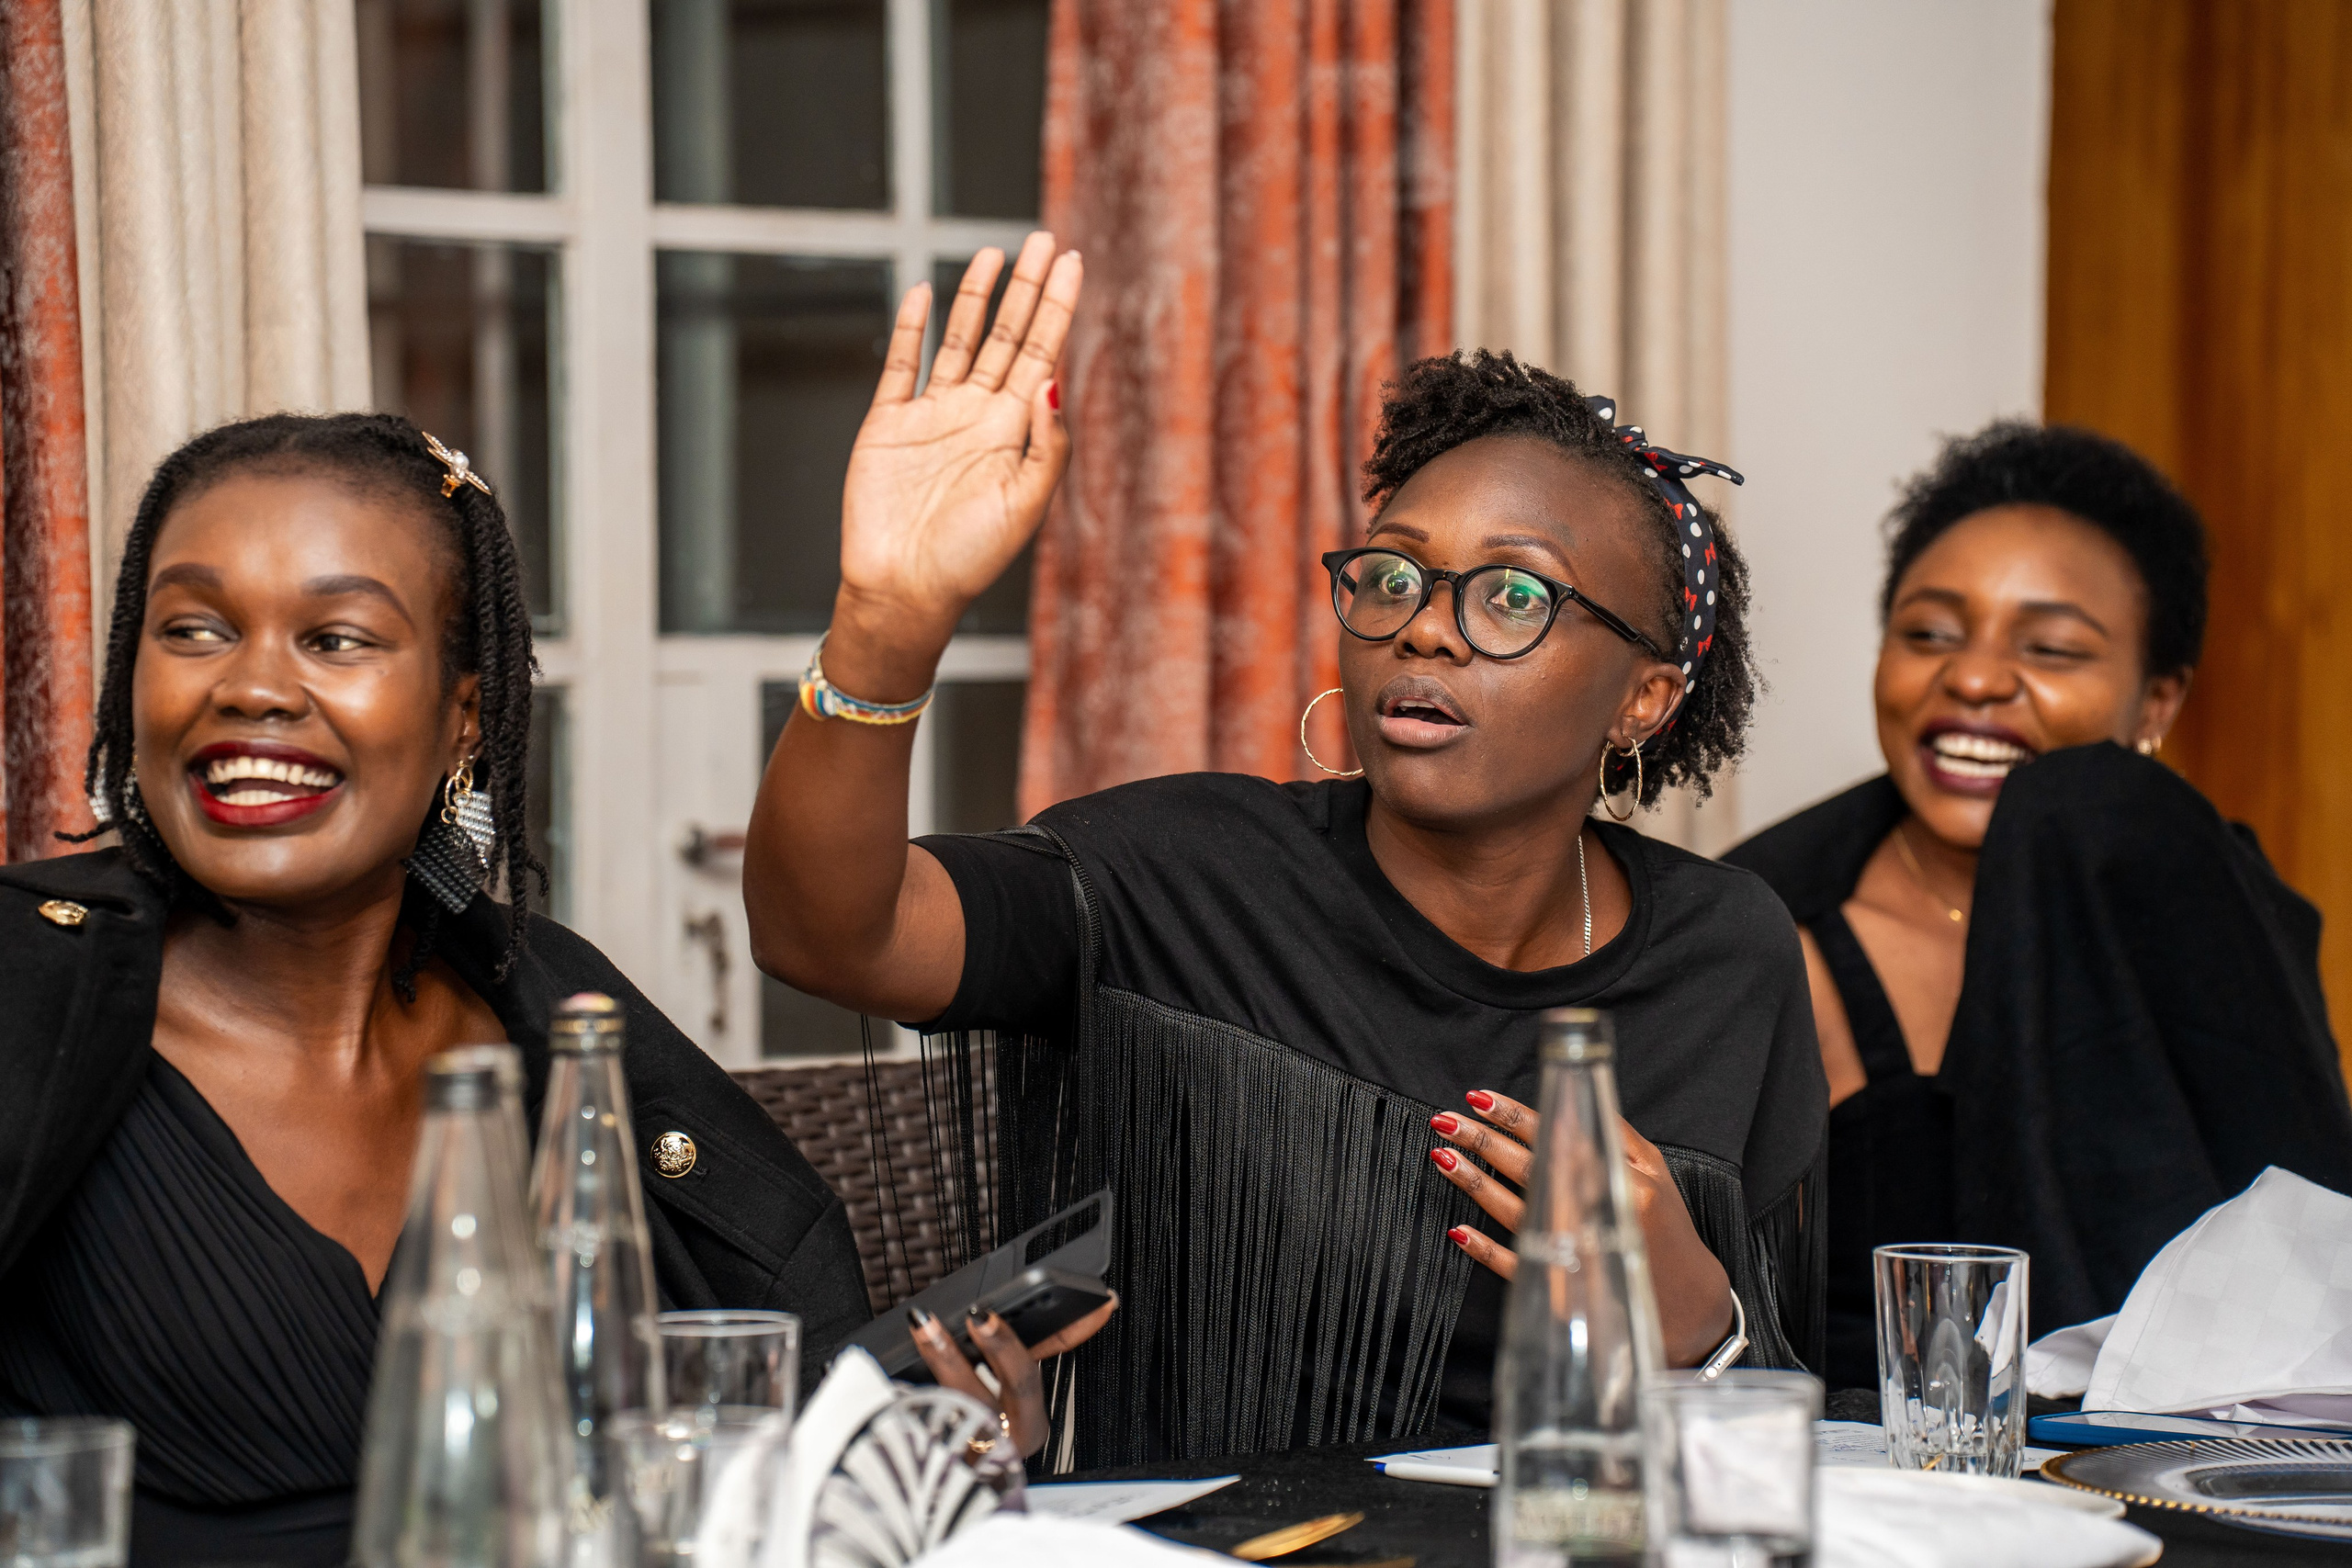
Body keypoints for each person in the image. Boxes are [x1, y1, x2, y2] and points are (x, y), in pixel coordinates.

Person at [744, 231, 1828, 1466]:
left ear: (1644, 698)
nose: (1427, 629)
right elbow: (828, 930)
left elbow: (1806, 1413)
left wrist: (1700, 1323)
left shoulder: (1726, 952)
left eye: (1513, 595)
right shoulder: (1185, 874)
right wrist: (888, 621)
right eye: (1392, 575)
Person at [0, 413, 1106, 1567]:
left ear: (463, 721)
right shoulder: (27, 992)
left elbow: (718, 1483)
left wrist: (910, 1463)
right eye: (194, 629)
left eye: (335, 640)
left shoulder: (558, 1021)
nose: (252, 688)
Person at [1724, 423, 2352, 1390]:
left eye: (2052, 648)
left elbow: (2297, 1254)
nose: (1971, 680)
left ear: (2156, 705)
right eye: (1927, 632)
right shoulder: (1765, 932)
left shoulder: (2211, 922)